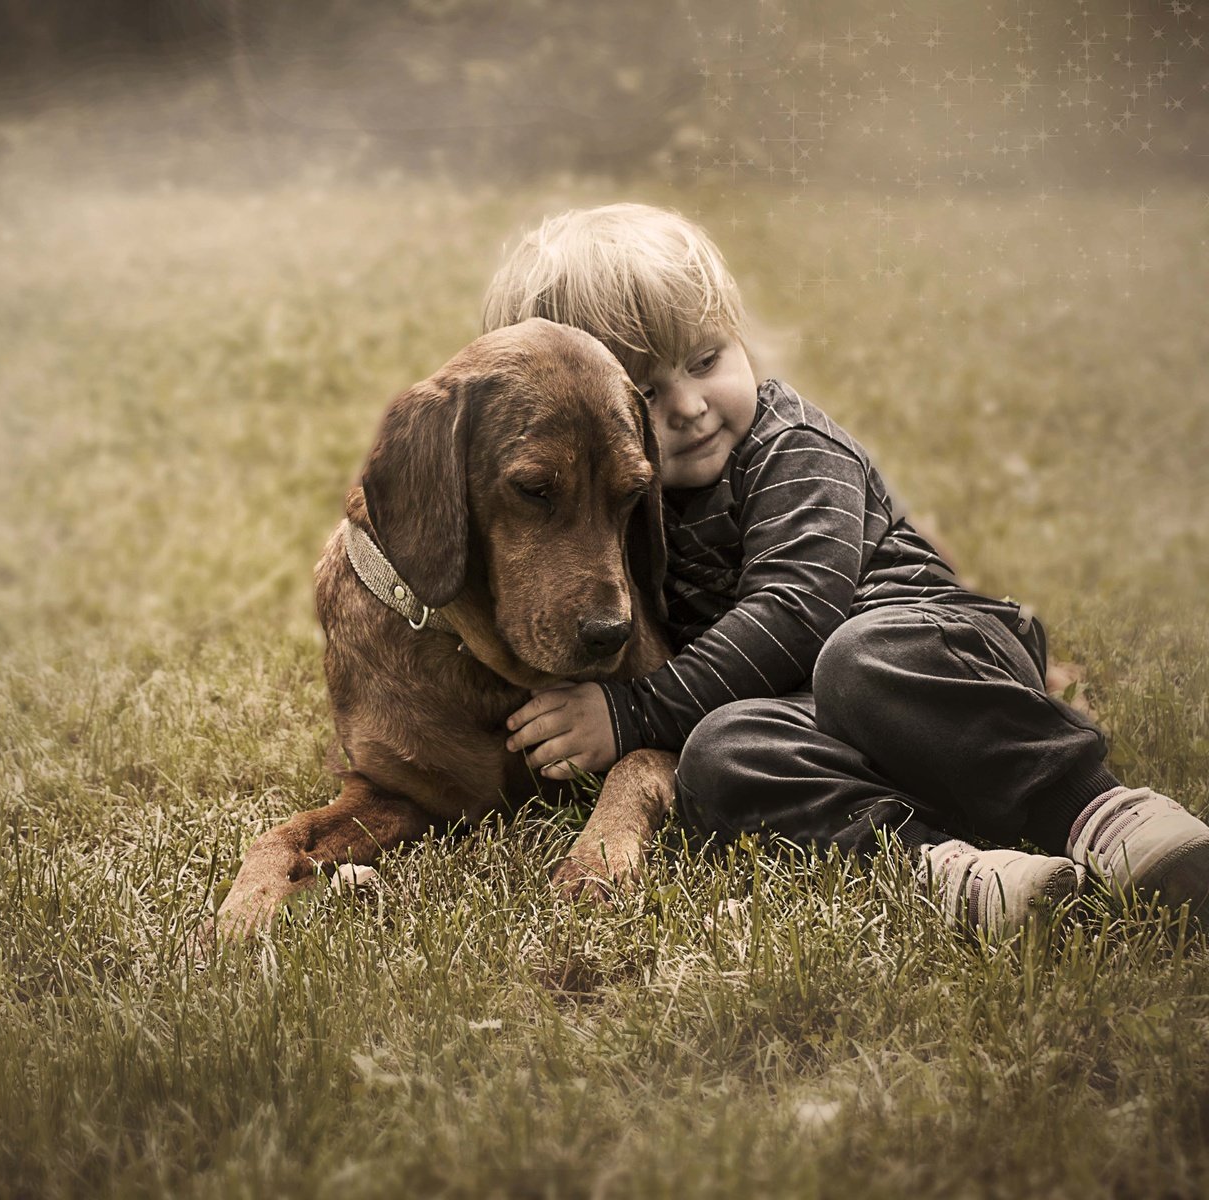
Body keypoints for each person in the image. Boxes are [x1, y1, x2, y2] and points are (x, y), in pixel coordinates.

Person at [483, 203, 1209, 937]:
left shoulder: (792, 449)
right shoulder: (622, 503)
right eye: (645, 391)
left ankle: (1098, 811)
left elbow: (796, 612)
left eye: (705, 361)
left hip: (931, 660)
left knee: (856, 660)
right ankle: (950, 867)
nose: (692, 407)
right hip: (815, 717)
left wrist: (633, 715)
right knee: (719, 753)